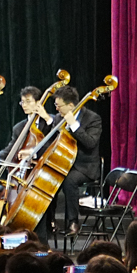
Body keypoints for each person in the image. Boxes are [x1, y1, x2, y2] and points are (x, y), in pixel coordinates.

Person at [41, 86, 101, 237]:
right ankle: (49, 221)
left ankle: (73, 222)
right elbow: (52, 142)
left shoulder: (92, 119)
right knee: (49, 177)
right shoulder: (58, 118)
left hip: (85, 166)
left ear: (71, 105)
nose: (56, 109)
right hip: (64, 163)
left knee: (69, 180)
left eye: (59, 105)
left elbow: (90, 143)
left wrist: (74, 125)